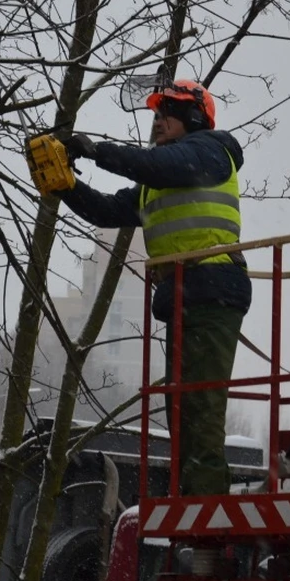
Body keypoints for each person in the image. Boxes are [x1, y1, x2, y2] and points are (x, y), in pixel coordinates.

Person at [55, 79, 251, 496]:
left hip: (213, 291)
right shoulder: (159, 179)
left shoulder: (211, 151)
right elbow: (108, 210)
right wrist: (64, 186)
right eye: (156, 114)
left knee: (202, 405)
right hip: (186, 298)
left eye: (167, 113)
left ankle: (206, 502)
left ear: (193, 117)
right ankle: (193, 496)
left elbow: (157, 165)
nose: (157, 121)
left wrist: (96, 151)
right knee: (183, 406)